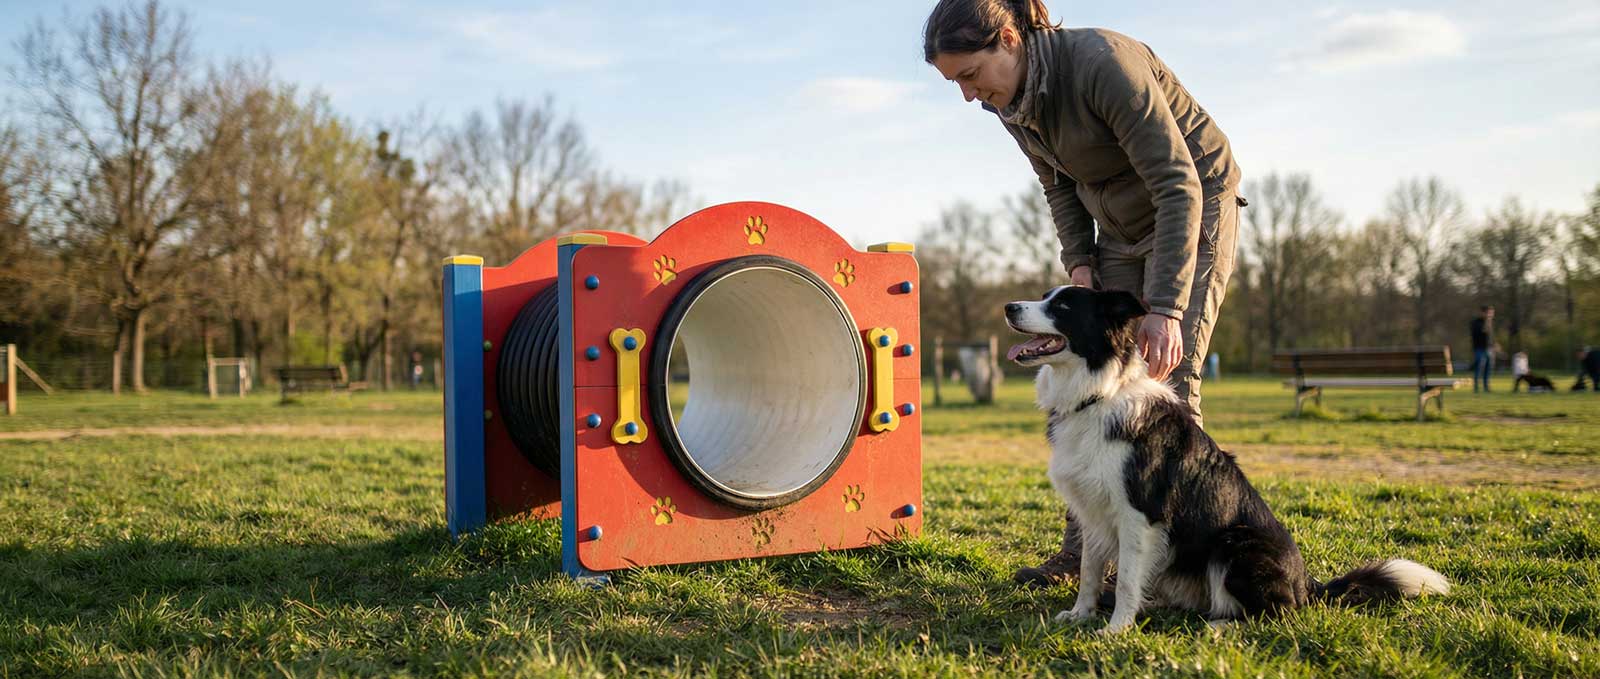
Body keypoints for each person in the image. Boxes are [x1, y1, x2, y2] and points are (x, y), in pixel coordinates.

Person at [924, 0, 1242, 587]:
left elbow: (1179, 185)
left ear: (1010, 40)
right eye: (955, 83)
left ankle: (1182, 562)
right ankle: (1084, 553)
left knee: (1164, 383)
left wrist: (1168, 308)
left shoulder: (1103, 64)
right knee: (1085, 392)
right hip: (1118, 225)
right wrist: (1080, 263)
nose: (968, 95)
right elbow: (1059, 188)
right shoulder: (1011, 102)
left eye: (969, 75)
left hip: (1191, 209)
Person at [1470, 306, 1495, 392]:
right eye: (1489, 313)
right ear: (1483, 313)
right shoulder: (1476, 323)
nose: (1491, 315)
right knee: (1479, 368)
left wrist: (1494, 345)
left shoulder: (1489, 323)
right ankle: (1476, 387)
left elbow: (1490, 337)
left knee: (1488, 369)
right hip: (1479, 349)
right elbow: (1483, 332)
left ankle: (1486, 387)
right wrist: (1487, 322)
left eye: (1492, 313)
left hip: (1489, 349)